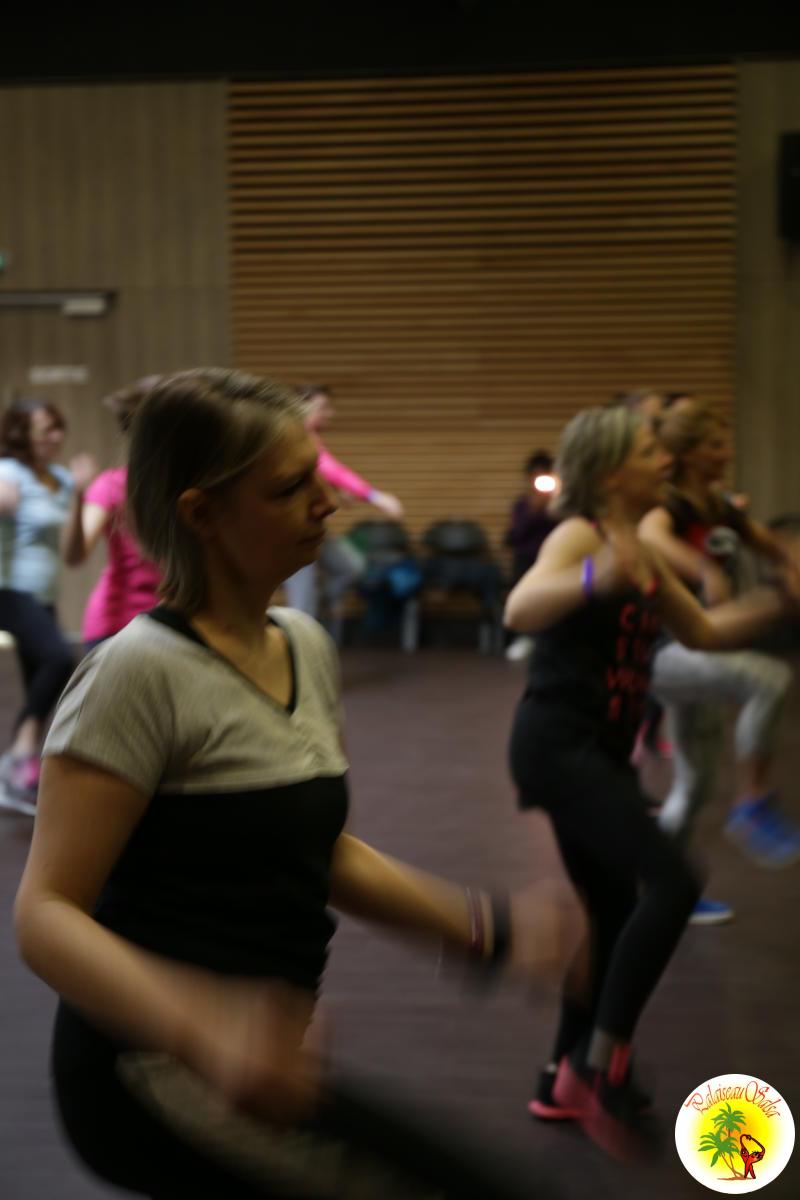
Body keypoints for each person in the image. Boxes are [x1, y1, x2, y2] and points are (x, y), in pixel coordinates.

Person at [14, 368, 566, 1200]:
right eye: (288, 488)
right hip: (150, 1072)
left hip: (262, 1063)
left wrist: (483, 926)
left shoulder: (304, 643)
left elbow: (313, 847)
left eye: (317, 477)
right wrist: (200, 1024)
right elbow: (45, 915)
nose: (326, 502)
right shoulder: (134, 674)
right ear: (202, 514)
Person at [505, 405, 797, 1159]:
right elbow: (521, 607)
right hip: (558, 746)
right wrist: (596, 576)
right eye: (647, 450)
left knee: (610, 915)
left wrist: (778, 600)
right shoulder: (582, 537)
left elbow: (704, 631)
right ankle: (600, 1065)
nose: (663, 458)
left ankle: (558, 1077)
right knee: (671, 881)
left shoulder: (641, 546)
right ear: (610, 472)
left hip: (599, 752)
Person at [639, 400, 800, 922]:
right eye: (715, 444)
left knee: (695, 784)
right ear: (688, 454)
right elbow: (649, 537)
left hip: (700, 656)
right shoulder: (669, 508)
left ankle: (664, 893)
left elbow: (772, 545)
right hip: (665, 652)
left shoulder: (718, 507)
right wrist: (704, 570)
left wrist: (790, 562)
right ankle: (752, 802)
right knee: (770, 678)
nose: (726, 452)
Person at [0, 398, 95, 812]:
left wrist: (80, 494)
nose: (56, 436)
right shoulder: (8, 472)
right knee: (58, 658)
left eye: (58, 428)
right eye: (46, 429)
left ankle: (18, 770)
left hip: (45, 594)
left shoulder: (60, 478)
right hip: (9, 590)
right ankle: (20, 754)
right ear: (22, 434)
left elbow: (73, 553)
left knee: (41, 678)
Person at [283, 384, 403, 637]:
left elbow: (318, 473)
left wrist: (336, 492)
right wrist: (375, 496)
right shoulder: (293, 437)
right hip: (291, 531)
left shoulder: (309, 438)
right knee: (302, 606)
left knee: (350, 568)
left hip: (313, 527)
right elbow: (331, 469)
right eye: (322, 408)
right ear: (301, 409)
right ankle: (299, 654)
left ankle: (323, 602)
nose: (329, 413)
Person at [62, 378, 162, 650]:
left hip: (173, 622)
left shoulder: (191, 487)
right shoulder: (111, 485)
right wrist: (79, 497)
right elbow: (75, 555)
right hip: (116, 625)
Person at [503, 451, 559, 662]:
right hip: (526, 560)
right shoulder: (522, 505)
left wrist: (553, 506)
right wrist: (533, 511)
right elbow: (515, 536)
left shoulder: (561, 504)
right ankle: (523, 638)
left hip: (554, 561)